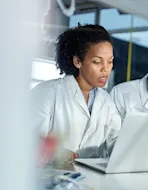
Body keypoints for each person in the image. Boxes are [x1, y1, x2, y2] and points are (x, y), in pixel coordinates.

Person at [30, 24, 121, 164]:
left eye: (110, 62)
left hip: (90, 180)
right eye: (97, 62)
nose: (106, 69)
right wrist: (57, 153)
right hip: (50, 178)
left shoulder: (107, 102)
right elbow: (29, 141)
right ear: (77, 61)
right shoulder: (47, 93)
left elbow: (116, 143)